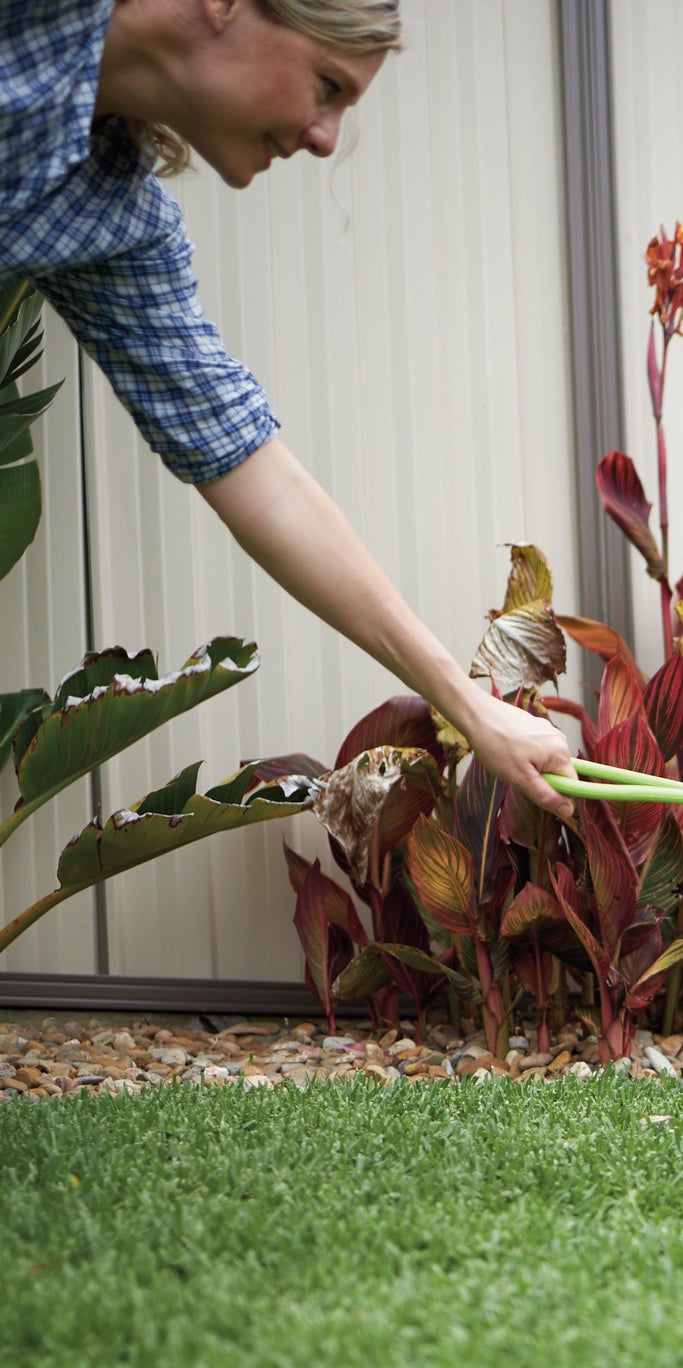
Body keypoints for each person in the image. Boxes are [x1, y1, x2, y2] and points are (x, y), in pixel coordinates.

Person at [0, 0, 576, 816]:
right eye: (327, 85)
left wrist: (473, 709)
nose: (326, 137)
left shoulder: (107, 217)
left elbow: (255, 473)